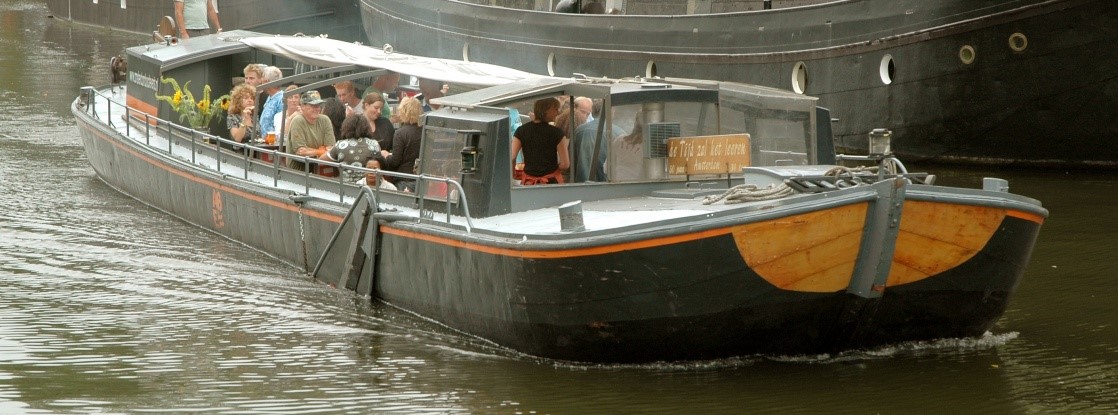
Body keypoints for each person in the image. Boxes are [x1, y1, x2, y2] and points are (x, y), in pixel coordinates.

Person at [511, 97, 569, 185]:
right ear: (545, 110)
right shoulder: (557, 133)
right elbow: (565, 164)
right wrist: (551, 170)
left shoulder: (521, 130)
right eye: (556, 109)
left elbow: (512, 157)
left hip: (529, 182)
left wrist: (513, 174)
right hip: (552, 182)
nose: (558, 112)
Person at [319, 114, 381, 182]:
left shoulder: (341, 145)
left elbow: (321, 160)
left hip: (346, 186)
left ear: (346, 127)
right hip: (368, 185)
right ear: (367, 127)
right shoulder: (374, 144)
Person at [572, 99, 622, 182]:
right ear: (611, 112)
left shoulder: (579, 131)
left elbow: (571, 157)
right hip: (607, 184)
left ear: (593, 111)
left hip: (581, 184)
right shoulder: (618, 133)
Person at [285, 90, 336, 172]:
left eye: (319, 105)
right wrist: (320, 151)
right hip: (299, 171)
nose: (317, 108)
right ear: (302, 106)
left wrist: (313, 151)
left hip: (321, 169)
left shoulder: (325, 120)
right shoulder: (298, 121)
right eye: (313, 105)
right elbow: (301, 151)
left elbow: (330, 149)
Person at [381, 96, 423, 191]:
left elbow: (395, 161)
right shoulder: (425, 131)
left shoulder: (400, 133)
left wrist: (386, 155)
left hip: (404, 180)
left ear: (404, 112)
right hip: (421, 180)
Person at [610, 111, 646, 181]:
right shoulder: (649, 145)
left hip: (618, 185)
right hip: (640, 186)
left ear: (635, 122)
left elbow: (607, 168)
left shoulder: (619, 140)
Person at [257, 66, 284, 139]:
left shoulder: (281, 99)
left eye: (262, 77)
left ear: (267, 81)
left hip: (274, 145)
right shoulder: (270, 97)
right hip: (264, 142)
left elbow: (281, 124)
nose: (260, 81)